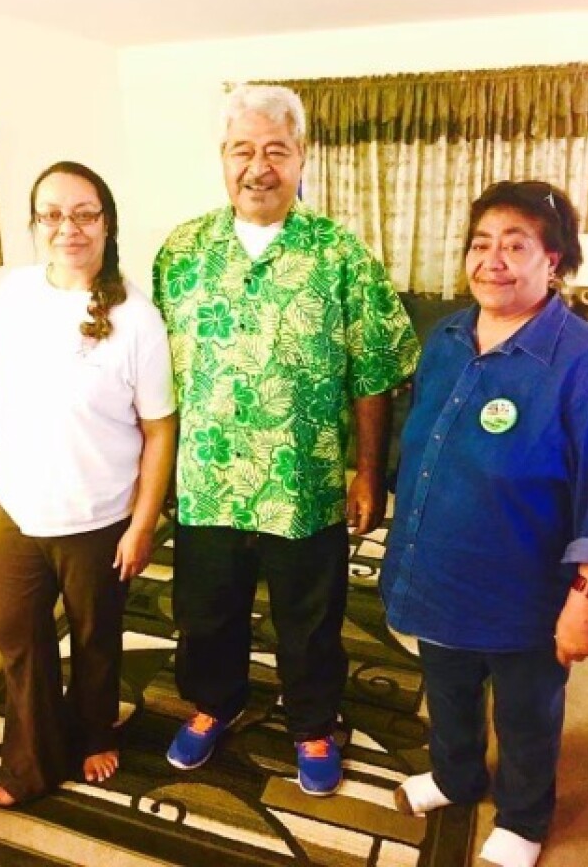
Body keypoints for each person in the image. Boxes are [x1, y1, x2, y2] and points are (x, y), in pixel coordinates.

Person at [153, 84, 420, 796]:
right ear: (223, 158)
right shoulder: (180, 251)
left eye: (276, 149)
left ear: (302, 158)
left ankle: (311, 723)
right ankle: (215, 704)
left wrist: (370, 473)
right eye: (243, 149)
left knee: (309, 619)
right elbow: (148, 375)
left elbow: (374, 372)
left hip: (307, 482)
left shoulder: (340, 253)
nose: (259, 166)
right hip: (206, 480)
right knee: (205, 613)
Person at [380, 181, 588, 867]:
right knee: (446, 692)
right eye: (481, 243)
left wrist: (584, 600)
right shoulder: (445, 337)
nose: (493, 260)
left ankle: (525, 819)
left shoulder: (580, 361)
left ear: (553, 260)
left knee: (527, 715)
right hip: (437, 573)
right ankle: (456, 775)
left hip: (525, 593)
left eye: (516, 244)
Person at [0, 161, 177, 806]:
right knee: (19, 641)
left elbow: (160, 429)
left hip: (97, 517)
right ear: (34, 225)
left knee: (93, 640)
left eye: (85, 213)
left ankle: (93, 734)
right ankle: (28, 765)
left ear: (108, 223)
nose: (69, 228)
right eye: (52, 214)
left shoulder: (137, 317)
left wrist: (142, 524)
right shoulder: (14, 294)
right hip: (21, 512)